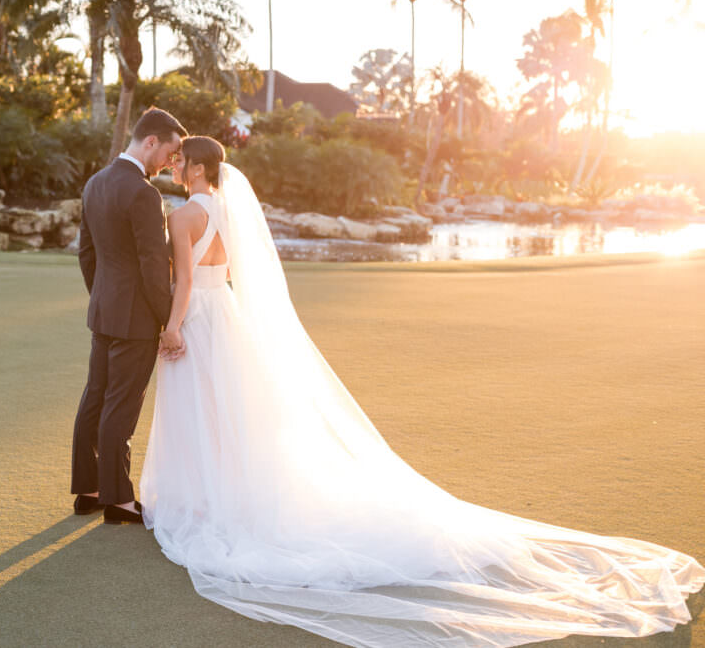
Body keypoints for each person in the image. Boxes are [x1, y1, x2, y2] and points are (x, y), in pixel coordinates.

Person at [139, 135, 705, 647]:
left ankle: (208, 500)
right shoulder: (229, 212)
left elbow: (186, 281)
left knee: (205, 411)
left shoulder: (185, 215)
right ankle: (225, 492)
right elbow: (232, 272)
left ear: (197, 167)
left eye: (182, 161)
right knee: (236, 412)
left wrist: (171, 326)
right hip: (230, 317)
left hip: (200, 318)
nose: (176, 167)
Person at [70, 107, 187, 526]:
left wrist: (102, 297)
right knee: (120, 406)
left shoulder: (95, 183)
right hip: (135, 317)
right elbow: (154, 265)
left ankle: (88, 491)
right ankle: (118, 502)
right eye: (170, 154)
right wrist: (167, 321)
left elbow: (87, 254)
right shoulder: (143, 193)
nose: (170, 164)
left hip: (103, 311)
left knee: (95, 398)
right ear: (150, 141)